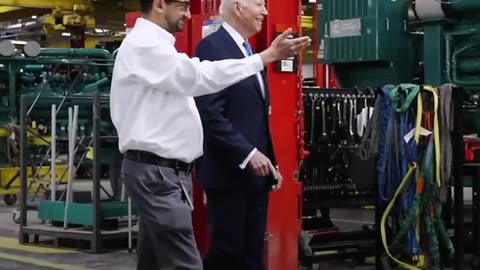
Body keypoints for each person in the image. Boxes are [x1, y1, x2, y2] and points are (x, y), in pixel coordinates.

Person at [109, 0, 310, 269]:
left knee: (155, 262)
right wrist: (266, 57)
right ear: (159, 4)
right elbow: (200, 78)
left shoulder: (157, 46)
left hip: (163, 172)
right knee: (186, 263)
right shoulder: (144, 46)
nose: (189, 14)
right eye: (182, 6)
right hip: (158, 174)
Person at [193, 0, 283, 269]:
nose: (265, 12)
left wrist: (270, 161)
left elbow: (253, 116)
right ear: (239, 9)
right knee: (227, 254)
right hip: (228, 174)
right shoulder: (212, 47)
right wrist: (247, 152)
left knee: (252, 255)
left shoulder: (248, 50)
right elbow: (210, 114)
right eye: (259, 4)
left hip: (255, 175)